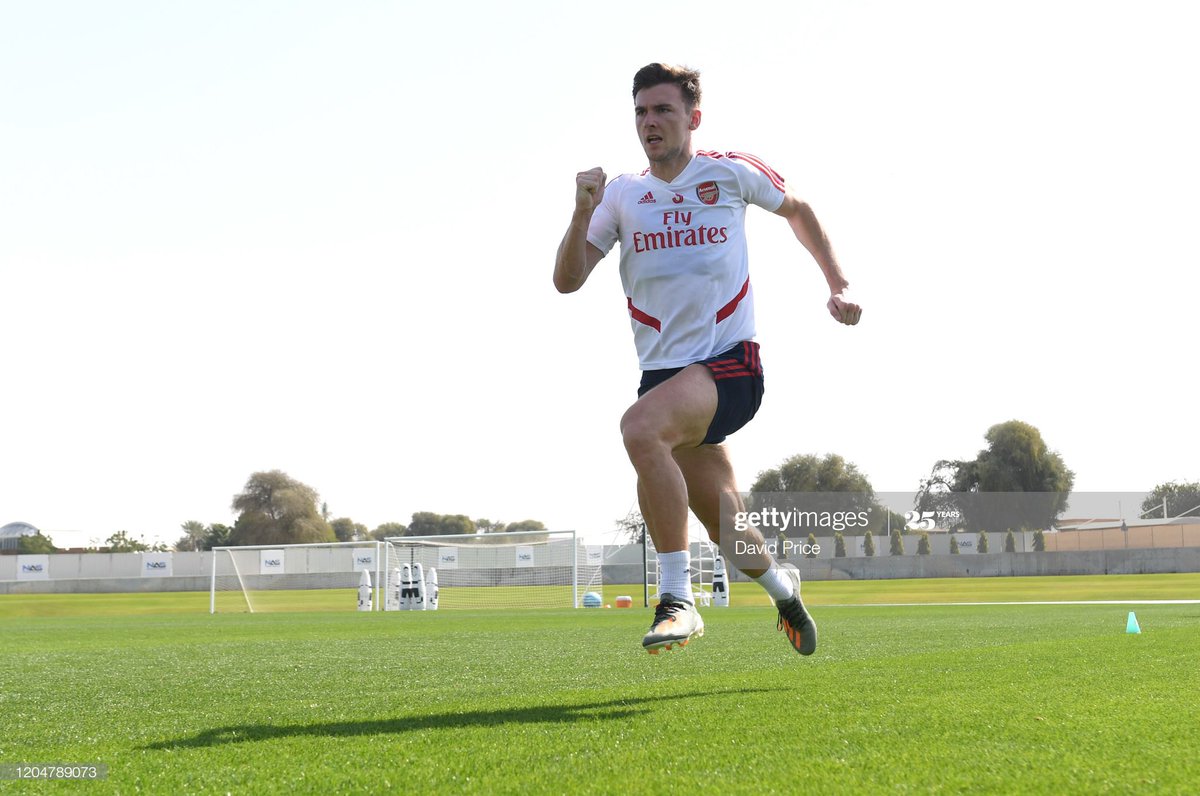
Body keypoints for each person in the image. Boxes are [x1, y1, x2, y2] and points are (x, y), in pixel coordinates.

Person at [553, 63, 861, 655]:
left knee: (641, 430)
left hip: (731, 365)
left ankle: (678, 599)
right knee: (727, 525)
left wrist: (837, 284)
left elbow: (798, 210)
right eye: (641, 112)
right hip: (665, 379)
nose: (649, 122)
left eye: (663, 110)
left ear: (693, 118)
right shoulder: (620, 195)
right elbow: (567, 280)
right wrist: (580, 210)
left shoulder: (729, 172)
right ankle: (784, 590)